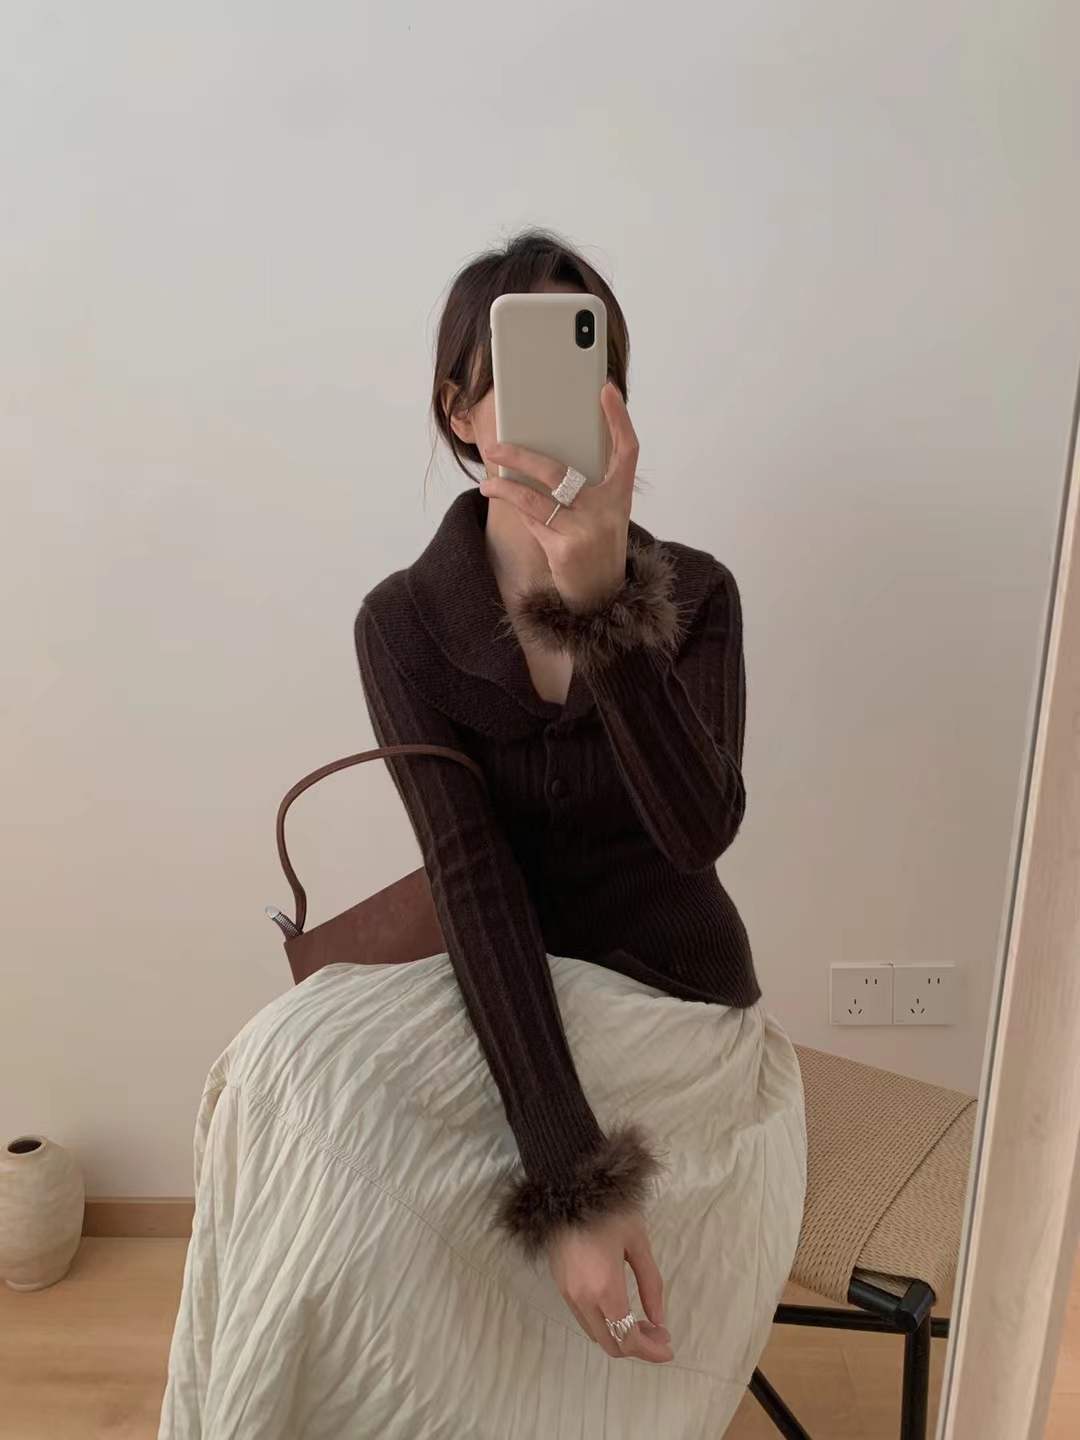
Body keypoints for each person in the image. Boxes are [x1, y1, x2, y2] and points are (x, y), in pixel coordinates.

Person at [157, 229, 807, 1440]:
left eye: (590, 361)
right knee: (285, 1067)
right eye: (520, 368)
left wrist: (607, 607)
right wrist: (570, 1183)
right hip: (509, 987)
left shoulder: (699, 591)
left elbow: (696, 834)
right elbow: (475, 879)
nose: (565, 396)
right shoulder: (404, 622)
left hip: (671, 999)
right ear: (458, 409)